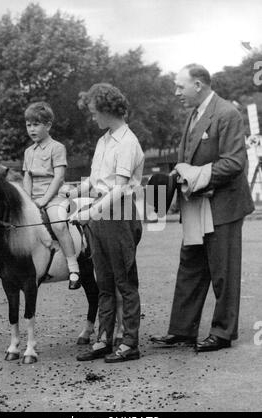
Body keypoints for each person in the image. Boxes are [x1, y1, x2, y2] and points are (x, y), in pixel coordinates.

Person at [150, 64, 254, 352]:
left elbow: (234, 162)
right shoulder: (194, 114)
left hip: (223, 204)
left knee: (223, 270)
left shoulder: (227, 113)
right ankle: (182, 330)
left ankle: (222, 333)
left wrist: (196, 176)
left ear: (198, 84)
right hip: (196, 203)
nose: (176, 92)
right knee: (190, 266)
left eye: (179, 86)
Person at [69, 83, 144, 363]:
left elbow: (119, 189)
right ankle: (104, 338)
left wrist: (90, 212)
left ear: (106, 109)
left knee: (125, 282)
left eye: (93, 112)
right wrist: (76, 192)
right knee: (104, 282)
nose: (92, 117)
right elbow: (96, 182)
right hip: (100, 214)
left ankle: (130, 343)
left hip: (118, 215)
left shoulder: (127, 142)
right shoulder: (104, 141)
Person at [23, 101, 81, 290]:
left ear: (48, 125)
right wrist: (27, 200)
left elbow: (59, 178)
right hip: (34, 200)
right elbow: (27, 177)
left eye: (36, 124)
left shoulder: (57, 148)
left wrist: (44, 200)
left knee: (58, 224)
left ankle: (73, 268)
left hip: (54, 197)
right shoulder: (28, 152)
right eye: (28, 125)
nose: (32, 129)